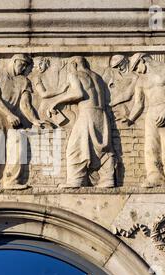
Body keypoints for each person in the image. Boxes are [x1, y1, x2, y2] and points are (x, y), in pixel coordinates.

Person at [0, 54, 45, 190]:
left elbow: (25, 105)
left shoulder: (24, 81)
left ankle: (11, 181)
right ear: (14, 62)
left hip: (13, 117)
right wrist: (9, 115)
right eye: (22, 64)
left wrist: (34, 120)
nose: (23, 68)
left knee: (19, 142)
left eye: (26, 66)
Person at [48, 56, 116, 188]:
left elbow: (78, 93)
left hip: (87, 113)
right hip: (101, 114)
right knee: (103, 146)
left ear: (73, 64)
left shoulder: (75, 74)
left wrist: (56, 102)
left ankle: (76, 180)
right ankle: (108, 179)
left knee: (75, 148)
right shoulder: (97, 77)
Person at [121, 53, 165, 188]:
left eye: (136, 67)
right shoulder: (140, 81)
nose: (136, 71)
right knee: (150, 148)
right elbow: (139, 104)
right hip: (151, 113)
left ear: (142, 60)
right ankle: (155, 177)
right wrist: (130, 119)